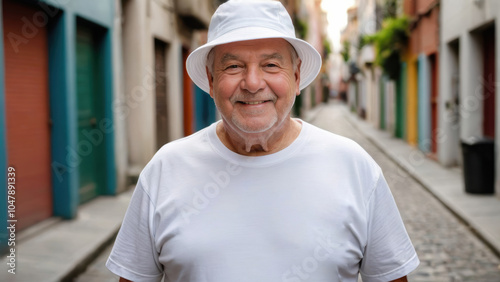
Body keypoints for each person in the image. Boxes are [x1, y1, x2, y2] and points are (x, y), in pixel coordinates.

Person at [106, 1, 420, 281]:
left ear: (296, 77)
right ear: (212, 81)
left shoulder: (355, 166)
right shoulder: (165, 168)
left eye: (271, 65)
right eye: (233, 66)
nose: (253, 83)